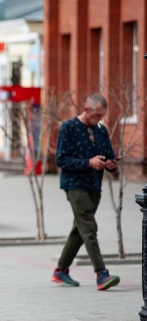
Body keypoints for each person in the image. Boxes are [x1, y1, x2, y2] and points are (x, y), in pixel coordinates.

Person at [52, 93, 120, 291]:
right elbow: (61, 160)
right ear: (86, 109)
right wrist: (88, 162)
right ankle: (101, 274)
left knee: (80, 229)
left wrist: (111, 164)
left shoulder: (101, 130)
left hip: (94, 186)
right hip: (74, 184)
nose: (99, 119)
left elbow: (109, 157)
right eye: (96, 115)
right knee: (89, 227)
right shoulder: (68, 128)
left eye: (101, 116)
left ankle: (60, 271)